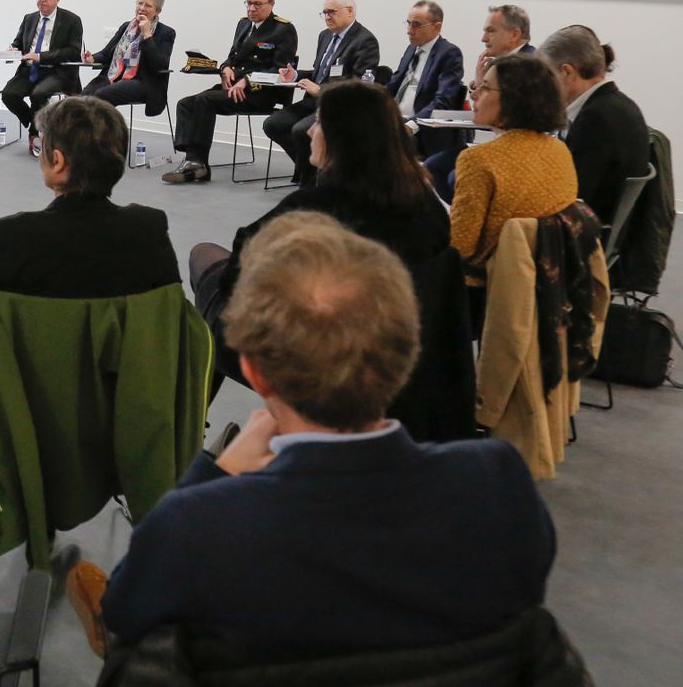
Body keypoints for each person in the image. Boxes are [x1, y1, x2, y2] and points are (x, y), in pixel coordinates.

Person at [76, 212, 554, 654]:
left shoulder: (199, 521)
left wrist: (212, 472)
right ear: (408, 351)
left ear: (253, 371)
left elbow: (124, 619)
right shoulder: (498, 481)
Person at [190, 81, 449, 380]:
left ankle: (194, 409)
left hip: (313, 359)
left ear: (343, 136)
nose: (310, 131)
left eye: (318, 122)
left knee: (204, 260)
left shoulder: (314, 208)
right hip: (394, 353)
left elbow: (239, 270)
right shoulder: (427, 204)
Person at [0, 96, 181, 336]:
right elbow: (170, 317)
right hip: (127, 371)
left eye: (42, 145)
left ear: (58, 162)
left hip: (32, 373)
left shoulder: (13, 236)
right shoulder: (149, 227)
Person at [451, 53, 576, 283]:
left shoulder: (478, 159)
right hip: (548, 284)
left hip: (487, 287)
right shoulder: (560, 152)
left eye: (485, 88)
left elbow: (460, 247)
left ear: (514, 99)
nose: (475, 95)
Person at [163, 0, 297, 184]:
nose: (252, 8)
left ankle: (197, 163)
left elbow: (279, 71)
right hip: (233, 89)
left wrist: (247, 81)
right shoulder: (243, 24)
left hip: (261, 94)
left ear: (272, 4)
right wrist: (225, 67)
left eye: (258, 4)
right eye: (248, 3)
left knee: (205, 100)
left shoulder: (283, 29)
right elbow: (233, 57)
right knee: (185, 104)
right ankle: (193, 158)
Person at [262, 0, 380, 185]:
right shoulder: (324, 36)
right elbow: (320, 73)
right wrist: (296, 75)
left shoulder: (365, 41)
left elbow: (359, 84)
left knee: (301, 130)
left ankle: (312, 181)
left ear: (349, 11)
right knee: (273, 125)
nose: (327, 17)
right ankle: (313, 171)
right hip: (314, 101)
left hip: (339, 105)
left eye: (331, 12)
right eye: (324, 12)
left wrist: (321, 90)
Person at [541, 25, 649, 226]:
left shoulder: (595, 119)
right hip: (608, 233)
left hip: (583, 235)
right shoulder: (622, 105)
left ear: (566, 72)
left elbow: (572, 194)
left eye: (548, 76)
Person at [424, 4, 536, 198]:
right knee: (434, 165)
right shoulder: (500, 62)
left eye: (490, 31)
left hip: (518, 151)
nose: (483, 39)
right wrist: (478, 82)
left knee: (455, 175)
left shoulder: (529, 65)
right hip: (497, 141)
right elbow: (484, 110)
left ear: (514, 34)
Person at [0, 0, 84, 158]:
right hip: (29, 69)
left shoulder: (72, 20)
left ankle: (34, 134)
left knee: (38, 94)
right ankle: (34, 123)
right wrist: (13, 49)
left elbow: (73, 51)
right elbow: (19, 42)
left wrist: (41, 57)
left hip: (57, 71)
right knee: (8, 94)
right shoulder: (29, 18)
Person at [386, 0, 465, 163]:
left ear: (437, 27)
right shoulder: (411, 49)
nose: (409, 30)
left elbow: (443, 101)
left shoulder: (449, 54)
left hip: (422, 129)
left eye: (416, 25)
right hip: (395, 120)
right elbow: (393, 86)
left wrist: (411, 125)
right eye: (408, 24)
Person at [82, 0, 175, 122]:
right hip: (114, 75)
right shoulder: (126, 27)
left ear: (158, 11)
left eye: (148, 5)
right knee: (81, 98)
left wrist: (147, 35)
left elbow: (159, 64)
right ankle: (82, 137)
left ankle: (103, 138)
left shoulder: (166, 33)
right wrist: (92, 58)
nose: (142, 8)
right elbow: (107, 53)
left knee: (102, 95)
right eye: (140, 3)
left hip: (142, 82)